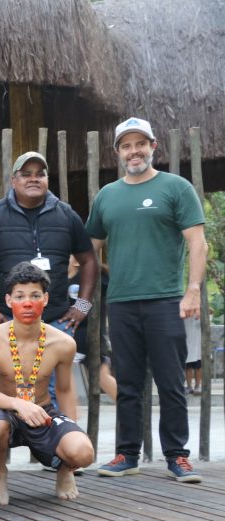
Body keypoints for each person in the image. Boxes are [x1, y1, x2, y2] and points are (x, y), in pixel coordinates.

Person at [86, 117, 208, 482]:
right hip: (122, 303)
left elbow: (197, 243)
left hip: (168, 300)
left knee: (171, 381)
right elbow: (89, 249)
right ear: (117, 152)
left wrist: (193, 290)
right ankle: (126, 454)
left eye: (141, 143)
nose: (134, 151)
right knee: (128, 382)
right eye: (126, 145)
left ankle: (177, 456)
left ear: (154, 147)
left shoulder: (176, 188)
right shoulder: (107, 196)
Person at [0, 151, 98, 409]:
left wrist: (82, 306)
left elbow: (89, 260)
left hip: (54, 322)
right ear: (13, 181)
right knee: (4, 396)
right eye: (25, 174)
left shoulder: (66, 215)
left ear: (48, 179)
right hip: (6, 321)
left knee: (52, 396)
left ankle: (55, 446)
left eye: (40, 174)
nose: (33, 179)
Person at [0, 262, 95, 504]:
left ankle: (64, 470)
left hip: (43, 411)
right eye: (20, 296)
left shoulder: (63, 342)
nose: (28, 303)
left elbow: (64, 389)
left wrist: (70, 432)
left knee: (82, 452)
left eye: (35, 296)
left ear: (46, 298)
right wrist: (18, 405)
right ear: (9, 300)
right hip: (4, 410)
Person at [67, 255, 117, 402]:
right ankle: (71, 414)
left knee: (102, 377)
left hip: (90, 336)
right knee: (63, 375)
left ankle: (130, 411)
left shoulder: (94, 276)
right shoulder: (62, 278)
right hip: (71, 335)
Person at [184, 317, 202, 395]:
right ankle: (189, 386)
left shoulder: (199, 310)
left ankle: (197, 386)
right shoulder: (183, 309)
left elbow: (211, 311)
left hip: (198, 344)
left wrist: (198, 306)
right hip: (187, 342)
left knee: (198, 367)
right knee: (188, 367)